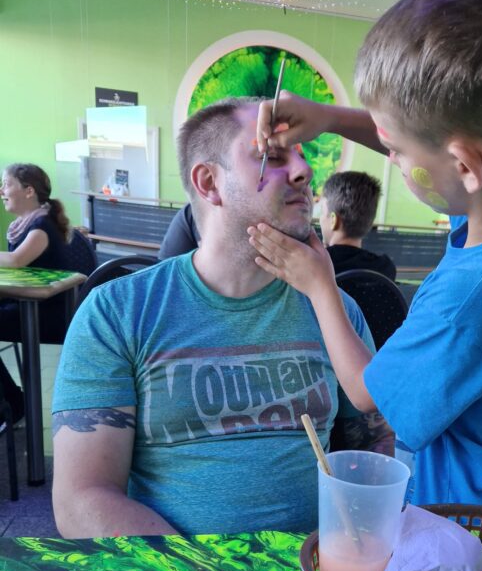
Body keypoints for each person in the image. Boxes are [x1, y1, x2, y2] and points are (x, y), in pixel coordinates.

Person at [249, 0, 482, 524]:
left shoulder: (472, 298)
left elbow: (368, 396)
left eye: (397, 152)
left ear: (463, 165)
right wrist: (330, 118)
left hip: (466, 539)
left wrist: (320, 285)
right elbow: (446, 155)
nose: (395, 161)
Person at [52, 97, 391, 538]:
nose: (305, 173)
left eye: (304, 157)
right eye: (271, 156)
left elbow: (375, 445)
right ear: (209, 182)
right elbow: (82, 501)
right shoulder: (117, 312)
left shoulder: (335, 309)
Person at [0, 163, 72, 426]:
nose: (1, 191)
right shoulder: (24, 225)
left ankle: (12, 402)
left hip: (46, 315)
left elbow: (17, 261)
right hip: (25, 307)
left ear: (29, 191)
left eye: (6, 184)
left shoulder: (41, 226)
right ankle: (10, 400)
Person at [319, 172, 396, 280]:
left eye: (322, 212)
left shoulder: (316, 265)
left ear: (333, 220)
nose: (321, 219)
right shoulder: (385, 268)